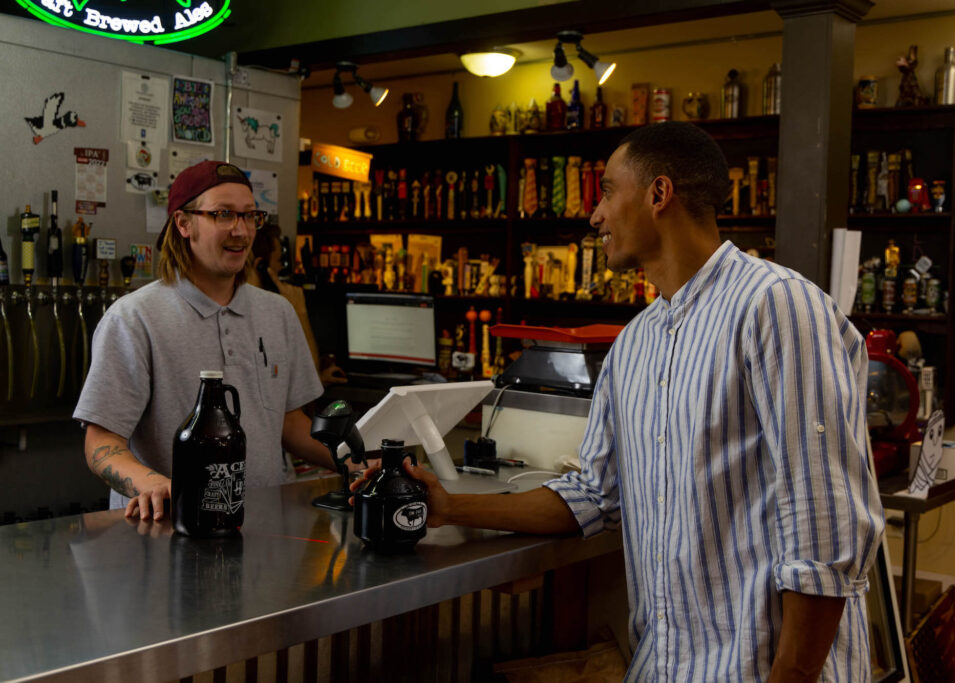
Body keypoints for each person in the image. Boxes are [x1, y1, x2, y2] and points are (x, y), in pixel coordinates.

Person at [359, 122, 885, 681]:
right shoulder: (633, 345)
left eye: (608, 191)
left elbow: (825, 526)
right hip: (663, 666)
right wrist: (450, 506)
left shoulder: (777, 306)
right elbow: (592, 495)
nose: (596, 215)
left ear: (659, 194)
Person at [74, 161, 336, 521]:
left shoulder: (278, 312)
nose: (241, 231)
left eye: (249, 216)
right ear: (183, 224)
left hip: (262, 528)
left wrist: (361, 461)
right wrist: (151, 483)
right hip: (168, 527)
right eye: (223, 214)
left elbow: (290, 424)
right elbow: (100, 441)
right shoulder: (134, 318)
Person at [246, 222, 346, 387]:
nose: (282, 269)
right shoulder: (259, 319)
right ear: (260, 267)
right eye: (279, 261)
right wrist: (300, 312)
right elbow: (308, 386)